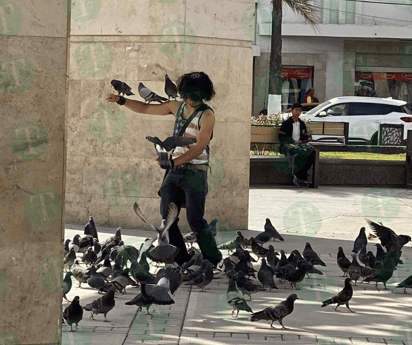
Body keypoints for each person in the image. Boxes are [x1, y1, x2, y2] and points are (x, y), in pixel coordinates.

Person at [106, 72, 223, 267]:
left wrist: (173, 162)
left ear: (204, 95)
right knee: (167, 219)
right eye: (189, 95)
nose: (192, 100)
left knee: (195, 220)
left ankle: (214, 261)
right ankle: (182, 261)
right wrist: (121, 101)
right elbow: (145, 108)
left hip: (196, 172)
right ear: (184, 93)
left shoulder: (207, 115)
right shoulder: (176, 107)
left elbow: (199, 147)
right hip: (174, 172)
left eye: (197, 96)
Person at [278, 103, 316, 187]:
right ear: (291, 111)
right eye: (296, 110)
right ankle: (301, 176)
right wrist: (293, 141)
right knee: (300, 153)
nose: (298, 112)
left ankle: (300, 175)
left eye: (299, 110)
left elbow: (306, 137)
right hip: (288, 146)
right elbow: (281, 137)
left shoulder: (302, 124)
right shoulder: (286, 124)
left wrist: (302, 141)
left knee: (312, 152)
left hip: (300, 145)